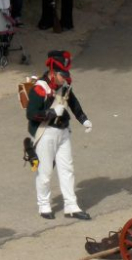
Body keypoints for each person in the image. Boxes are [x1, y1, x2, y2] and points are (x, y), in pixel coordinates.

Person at [25, 50, 92, 220]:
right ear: (54, 73)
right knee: (45, 172)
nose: (65, 79)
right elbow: (31, 113)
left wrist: (83, 119)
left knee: (67, 169)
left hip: (63, 133)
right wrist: (51, 113)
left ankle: (71, 205)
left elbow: (73, 103)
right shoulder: (40, 88)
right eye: (63, 75)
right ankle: (44, 204)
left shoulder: (63, 86)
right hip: (45, 133)